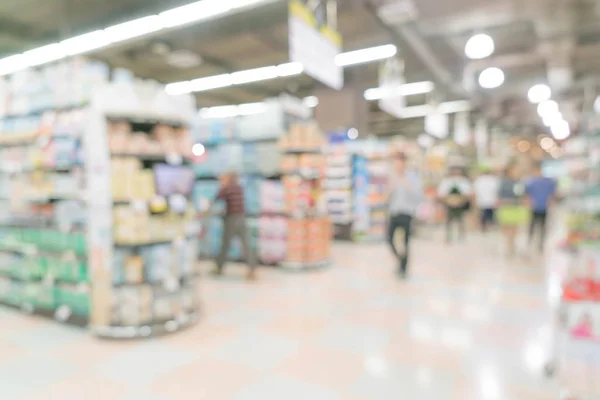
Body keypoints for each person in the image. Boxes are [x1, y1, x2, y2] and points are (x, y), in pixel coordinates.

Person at [210, 171, 256, 280]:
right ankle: (252, 269)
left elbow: (216, 199)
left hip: (232, 219)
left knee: (225, 245)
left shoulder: (227, 189)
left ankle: (219, 267)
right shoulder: (239, 189)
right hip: (241, 218)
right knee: (246, 245)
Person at [387, 152, 423, 279]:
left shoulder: (412, 178)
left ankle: (404, 268)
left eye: (399, 162)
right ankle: (400, 260)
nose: (397, 165)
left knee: (405, 242)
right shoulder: (392, 177)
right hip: (394, 212)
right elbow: (387, 196)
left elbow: (418, 197)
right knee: (390, 239)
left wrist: (408, 186)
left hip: (407, 213)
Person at [496, 165, 528, 258]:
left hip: (516, 207)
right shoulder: (503, 182)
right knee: (506, 228)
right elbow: (500, 194)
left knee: (514, 228)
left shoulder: (519, 182)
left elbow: (522, 194)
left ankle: (511, 245)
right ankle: (509, 243)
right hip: (506, 207)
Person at [526, 163, 557, 253]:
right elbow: (527, 194)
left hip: (544, 207)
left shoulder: (548, 182)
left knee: (543, 226)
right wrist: (529, 202)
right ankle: (530, 241)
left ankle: (541, 243)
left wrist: (550, 201)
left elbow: (552, 193)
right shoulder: (531, 182)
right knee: (532, 225)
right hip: (534, 207)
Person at [437, 166, 472, 243]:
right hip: (449, 204)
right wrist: (448, 200)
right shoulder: (447, 181)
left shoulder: (464, 181)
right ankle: (449, 237)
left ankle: (461, 237)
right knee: (449, 221)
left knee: (461, 221)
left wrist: (461, 200)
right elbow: (441, 193)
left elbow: (469, 193)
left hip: (461, 204)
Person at [473, 167, 500, 233]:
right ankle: (488, 227)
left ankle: (485, 227)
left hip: (484, 201)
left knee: (485, 215)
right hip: (489, 200)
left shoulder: (479, 180)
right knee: (488, 215)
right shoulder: (493, 179)